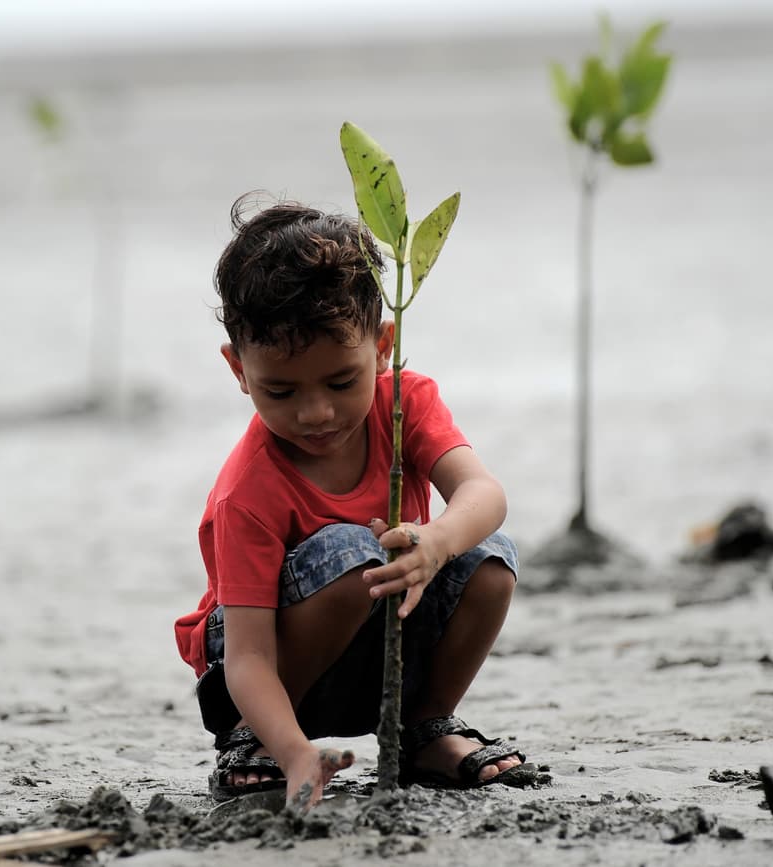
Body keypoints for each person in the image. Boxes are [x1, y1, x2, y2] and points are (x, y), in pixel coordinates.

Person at [174, 195, 528, 811]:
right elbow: (251, 656)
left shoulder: (405, 405)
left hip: (383, 655)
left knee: (490, 556)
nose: (315, 413)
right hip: (263, 685)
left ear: (382, 346)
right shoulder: (248, 490)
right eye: (279, 390)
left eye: (342, 381)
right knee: (352, 552)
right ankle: (254, 745)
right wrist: (290, 750)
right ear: (238, 369)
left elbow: (485, 495)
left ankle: (423, 728)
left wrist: (437, 540)